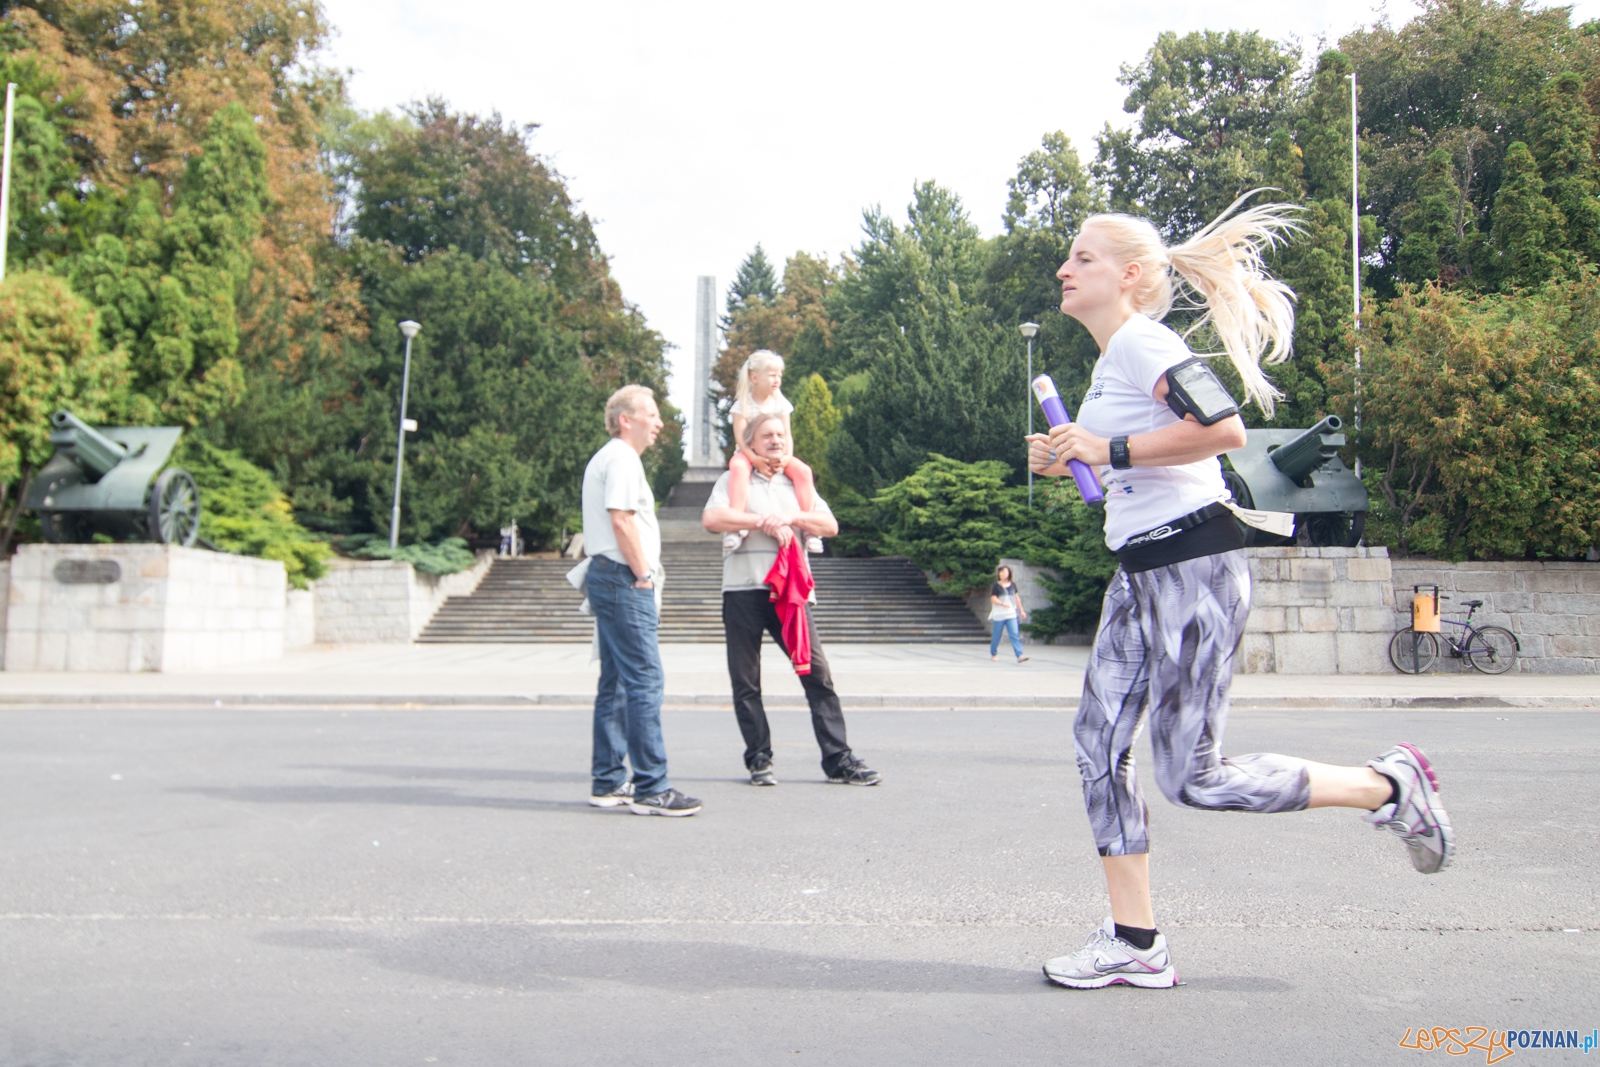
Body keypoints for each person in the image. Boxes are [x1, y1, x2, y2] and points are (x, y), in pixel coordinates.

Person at [1025, 194, 1453, 989]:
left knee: (1195, 777)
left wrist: (1107, 445)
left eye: (1083, 256)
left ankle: (1390, 786)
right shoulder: (1115, 356)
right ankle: (1135, 940)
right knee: (1097, 746)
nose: (1065, 267)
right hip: (1141, 572)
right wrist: (1074, 456)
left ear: (1133, 274)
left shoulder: (1143, 342)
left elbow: (1221, 429)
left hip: (1193, 568)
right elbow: (1138, 460)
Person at [701, 412, 880, 788]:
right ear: (750, 443)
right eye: (767, 436)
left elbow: (829, 526)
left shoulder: (797, 483)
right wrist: (760, 521)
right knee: (745, 681)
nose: (776, 441)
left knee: (818, 675)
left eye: (781, 434)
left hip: (792, 596)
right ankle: (759, 758)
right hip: (743, 591)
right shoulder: (734, 480)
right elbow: (713, 518)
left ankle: (838, 759)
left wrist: (790, 515)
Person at [580, 384, 701, 817]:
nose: (659, 423)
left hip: (609, 577)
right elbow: (622, 520)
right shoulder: (623, 458)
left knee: (615, 683)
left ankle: (609, 781)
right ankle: (653, 787)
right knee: (645, 680)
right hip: (623, 579)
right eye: (651, 414)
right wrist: (643, 575)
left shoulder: (609, 457)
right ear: (626, 420)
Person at [724, 350, 821, 554]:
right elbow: (741, 439)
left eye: (779, 375)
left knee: (804, 472)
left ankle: (809, 528)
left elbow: (787, 434)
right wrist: (755, 460)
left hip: (779, 453)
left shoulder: (780, 403)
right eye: (772, 375)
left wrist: (786, 458)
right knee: (738, 468)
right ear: (754, 377)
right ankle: (735, 526)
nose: (777, 380)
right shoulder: (742, 405)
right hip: (749, 453)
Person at [989, 565, 1031, 663]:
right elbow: (993, 598)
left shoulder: (1013, 585)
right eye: (1001, 572)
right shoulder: (996, 585)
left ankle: (1019, 655)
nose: (1003, 574)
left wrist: (1021, 611)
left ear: (1009, 573)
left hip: (1011, 614)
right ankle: (993, 653)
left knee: (1014, 634)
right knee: (997, 635)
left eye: (1005, 572)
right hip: (999, 615)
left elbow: (1017, 598)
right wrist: (1002, 603)